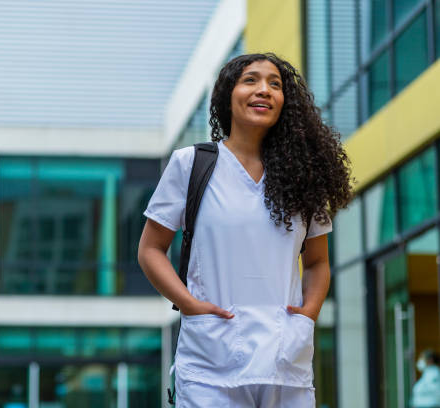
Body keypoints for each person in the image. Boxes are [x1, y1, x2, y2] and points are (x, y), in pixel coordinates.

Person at [137, 53, 353, 407]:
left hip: (285, 358)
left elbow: (317, 263)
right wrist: (189, 304)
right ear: (228, 95)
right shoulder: (191, 164)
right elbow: (150, 249)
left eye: (275, 84)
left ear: (286, 102)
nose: (264, 90)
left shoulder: (304, 177)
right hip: (211, 359)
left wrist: (308, 314)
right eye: (250, 80)